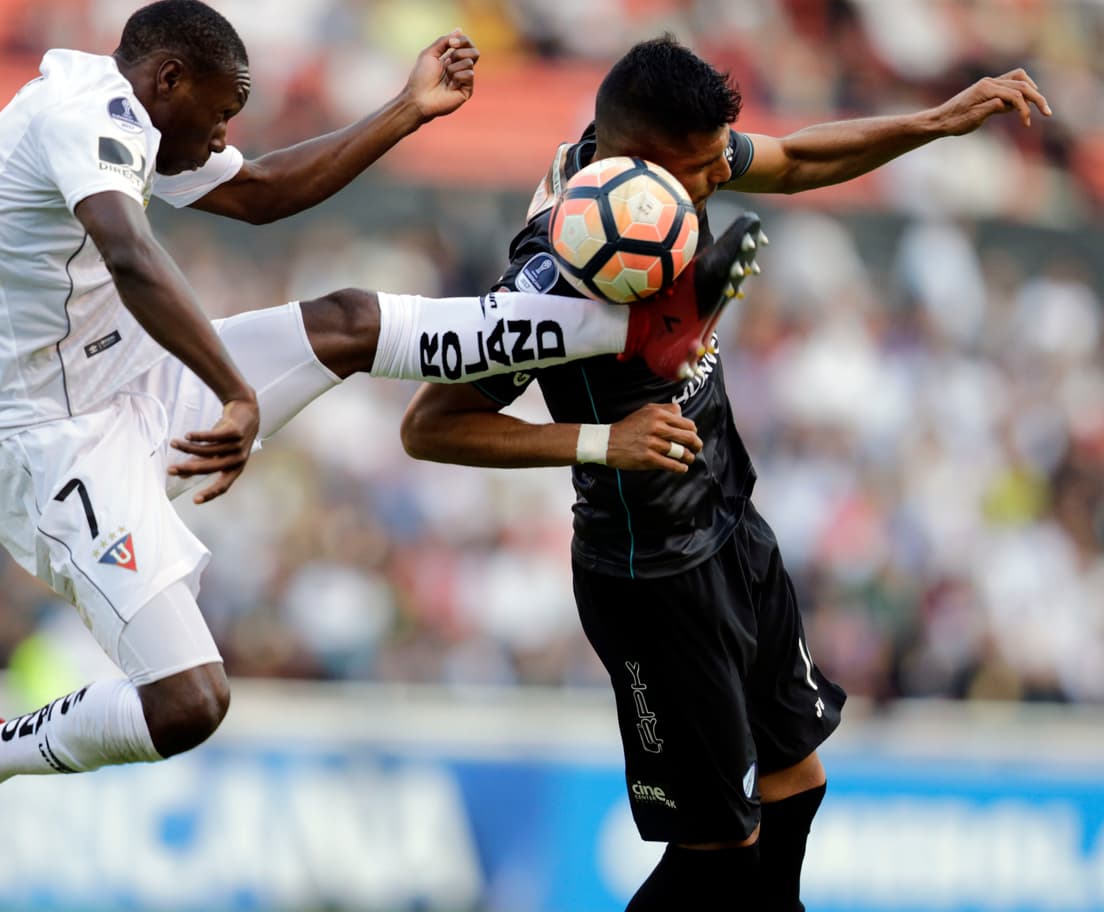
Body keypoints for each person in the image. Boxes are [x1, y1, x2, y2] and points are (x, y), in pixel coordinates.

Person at [0, 2, 759, 892]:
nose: (226, 134)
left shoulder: (132, 115)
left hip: (124, 380)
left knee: (345, 321)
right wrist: (235, 389)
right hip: (46, 447)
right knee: (190, 702)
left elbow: (263, 194)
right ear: (169, 82)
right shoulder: (88, 115)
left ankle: (627, 330)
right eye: (222, 114)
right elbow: (131, 256)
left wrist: (407, 110)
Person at [399, 36, 1052, 911]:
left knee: (797, 785)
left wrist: (935, 122)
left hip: (730, 522)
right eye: (703, 170)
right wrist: (603, 440)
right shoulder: (552, 276)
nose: (719, 181)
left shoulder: (656, 173)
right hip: (650, 571)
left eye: (716, 164)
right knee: (717, 855)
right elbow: (431, 425)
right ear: (642, 158)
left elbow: (798, 157)